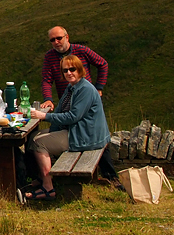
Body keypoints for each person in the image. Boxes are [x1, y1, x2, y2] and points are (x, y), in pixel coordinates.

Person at [23, 55, 110, 201]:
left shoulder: (85, 89)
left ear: (80, 70)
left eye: (72, 69)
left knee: (39, 143)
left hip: (85, 136)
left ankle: (48, 188)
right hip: (78, 130)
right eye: (65, 70)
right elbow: (59, 110)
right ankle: (40, 176)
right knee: (33, 136)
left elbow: (72, 117)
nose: (69, 73)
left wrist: (44, 117)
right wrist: (51, 124)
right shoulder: (72, 87)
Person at [39, 26, 108, 111]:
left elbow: (103, 64)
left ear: (67, 37)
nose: (56, 42)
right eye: (52, 40)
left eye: (59, 38)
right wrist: (48, 99)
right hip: (66, 101)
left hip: (86, 98)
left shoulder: (81, 50)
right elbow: (47, 80)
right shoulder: (49, 56)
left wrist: (99, 87)